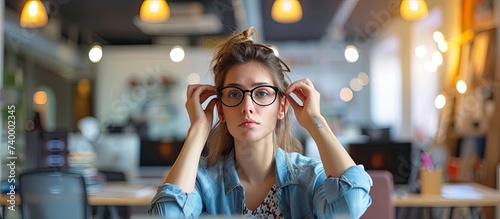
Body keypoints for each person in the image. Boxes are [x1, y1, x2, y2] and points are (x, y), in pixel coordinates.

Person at [149, 27, 372, 218]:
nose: (247, 106)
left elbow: (350, 207)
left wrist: (315, 121)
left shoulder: (308, 176)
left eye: (262, 93)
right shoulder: (203, 181)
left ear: (282, 107)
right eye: (234, 94)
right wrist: (198, 130)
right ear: (221, 110)